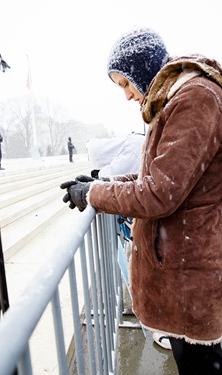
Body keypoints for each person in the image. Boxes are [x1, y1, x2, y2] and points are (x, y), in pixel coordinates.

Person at [60, 28, 222, 374]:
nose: (127, 96)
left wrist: (93, 195)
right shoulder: (176, 100)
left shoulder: (194, 100)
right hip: (185, 272)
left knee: (201, 366)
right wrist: (103, 182)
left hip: (191, 276)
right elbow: (156, 178)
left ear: (144, 71)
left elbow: (159, 193)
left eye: (125, 84)